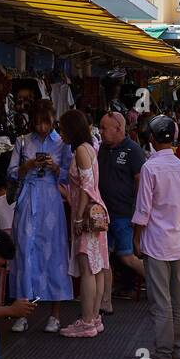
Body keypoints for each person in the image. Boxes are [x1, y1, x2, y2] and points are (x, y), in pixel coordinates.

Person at [7, 99, 73, 333]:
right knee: (25, 252)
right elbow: (12, 173)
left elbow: (69, 175)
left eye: (46, 123)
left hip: (52, 200)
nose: (42, 128)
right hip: (29, 197)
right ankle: (22, 311)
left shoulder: (63, 143)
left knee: (54, 253)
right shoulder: (23, 141)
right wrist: (30, 165)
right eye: (37, 123)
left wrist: (55, 167)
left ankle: (55, 314)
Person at [133, 115, 180, 359]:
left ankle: (164, 351)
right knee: (177, 297)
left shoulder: (150, 168)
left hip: (155, 241)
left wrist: (136, 237)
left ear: (152, 139)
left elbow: (143, 210)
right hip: (174, 240)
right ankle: (176, 347)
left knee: (160, 300)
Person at [59, 110, 109, 338]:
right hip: (96, 214)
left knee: (87, 268)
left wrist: (78, 216)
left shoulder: (80, 150)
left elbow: (86, 187)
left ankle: (87, 320)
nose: (61, 134)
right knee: (97, 267)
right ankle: (94, 317)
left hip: (87, 215)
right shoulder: (90, 148)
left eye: (63, 129)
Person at [98, 111, 148, 299]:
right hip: (104, 214)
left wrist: (137, 211)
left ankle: (160, 284)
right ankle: (105, 298)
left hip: (123, 214)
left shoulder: (132, 150)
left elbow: (140, 182)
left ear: (118, 128)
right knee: (104, 258)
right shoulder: (103, 148)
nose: (101, 132)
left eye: (104, 128)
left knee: (127, 257)